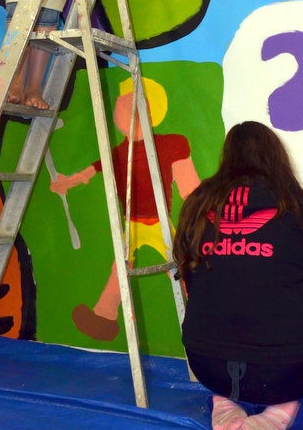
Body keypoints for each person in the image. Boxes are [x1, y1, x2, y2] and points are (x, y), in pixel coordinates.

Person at [173, 121, 303, 430]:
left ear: (227, 158)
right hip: (286, 372)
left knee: (244, 364)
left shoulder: (196, 206)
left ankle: (226, 399)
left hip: (207, 364)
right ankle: (286, 408)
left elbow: (194, 291)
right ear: (278, 158)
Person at [50, 77, 199, 340]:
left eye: (129, 108)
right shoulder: (118, 153)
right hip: (132, 224)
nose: (124, 115)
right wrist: (66, 183)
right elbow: (89, 172)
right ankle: (104, 315)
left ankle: (202, 310)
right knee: (119, 269)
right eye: (121, 108)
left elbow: (190, 187)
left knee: (180, 267)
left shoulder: (170, 145)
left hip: (160, 223)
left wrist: (202, 210)